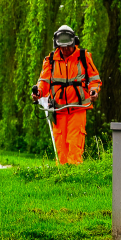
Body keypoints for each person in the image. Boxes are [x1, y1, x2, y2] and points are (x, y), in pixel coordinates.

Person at [31, 25, 102, 164]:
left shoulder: (83, 57)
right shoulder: (50, 60)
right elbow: (43, 82)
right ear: (57, 45)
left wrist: (94, 91)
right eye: (62, 47)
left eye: (68, 47)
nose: (65, 50)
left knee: (74, 142)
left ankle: (74, 175)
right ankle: (63, 174)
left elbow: (94, 79)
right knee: (61, 146)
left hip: (78, 108)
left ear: (74, 42)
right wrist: (38, 93)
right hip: (58, 109)